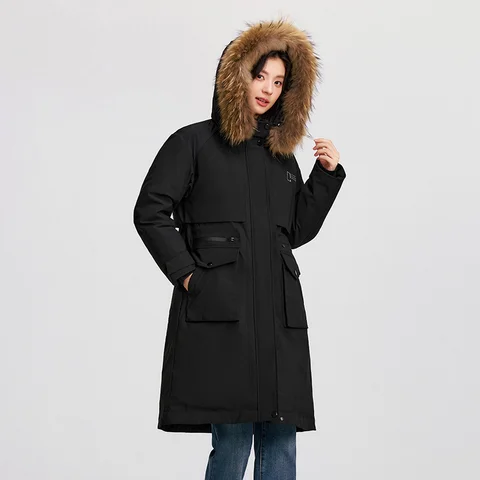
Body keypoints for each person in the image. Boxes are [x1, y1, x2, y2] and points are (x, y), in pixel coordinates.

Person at [133, 18, 347, 480]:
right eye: (260, 75)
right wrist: (188, 274)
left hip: (278, 321)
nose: (268, 89)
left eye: (279, 82)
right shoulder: (192, 143)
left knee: (282, 442)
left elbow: (294, 231)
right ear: (237, 76)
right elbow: (150, 210)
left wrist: (326, 177)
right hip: (223, 317)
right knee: (232, 442)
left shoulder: (281, 157)